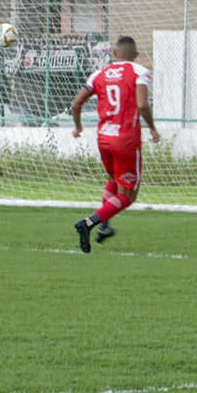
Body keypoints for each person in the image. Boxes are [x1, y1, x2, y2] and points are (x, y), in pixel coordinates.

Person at [71, 35, 159, 253]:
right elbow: (142, 104)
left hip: (104, 139)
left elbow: (75, 103)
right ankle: (89, 223)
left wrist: (78, 126)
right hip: (126, 141)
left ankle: (105, 227)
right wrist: (152, 127)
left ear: (115, 54)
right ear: (136, 55)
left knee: (113, 179)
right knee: (128, 196)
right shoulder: (139, 72)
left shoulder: (98, 74)